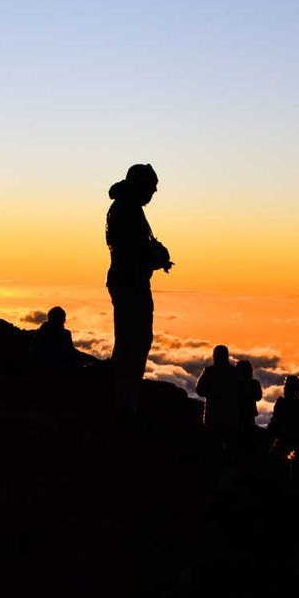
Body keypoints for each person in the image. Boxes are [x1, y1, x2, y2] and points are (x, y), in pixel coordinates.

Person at [105, 163, 172, 416]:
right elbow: (131, 251)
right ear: (140, 185)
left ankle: (124, 396)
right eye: (151, 188)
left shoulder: (125, 207)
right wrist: (157, 258)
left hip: (127, 281)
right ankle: (125, 401)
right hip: (130, 282)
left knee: (131, 341)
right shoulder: (127, 210)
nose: (153, 193)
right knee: (135, 341)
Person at [196, 345, 240, 449]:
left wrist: (212, 392)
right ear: (227, 356)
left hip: (213, 416)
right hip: (231, 416)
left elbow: (200, 390)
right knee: (231, 447)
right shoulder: (234, 372)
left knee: (213, 447)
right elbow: (241, 391)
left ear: (214, 356)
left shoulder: (209, 371)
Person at [268, 375, 299, 459]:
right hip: (294, 438)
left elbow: (276, 417)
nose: (285, 389)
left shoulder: (282, 402)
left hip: (286, 438)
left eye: (287, 387)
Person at [235, 358, 263, 449]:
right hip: (247, 416)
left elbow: (257, 397)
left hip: (238, 416)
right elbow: (258, 397)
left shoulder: (235, 383)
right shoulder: (254, 383)